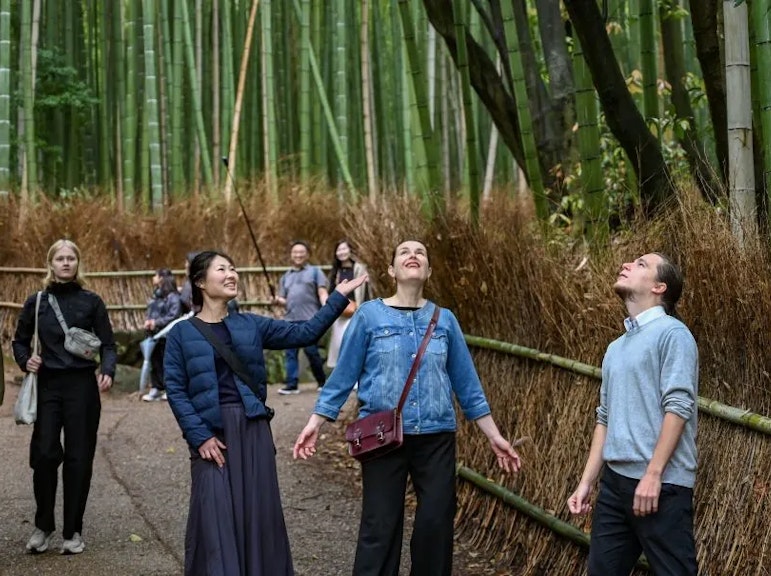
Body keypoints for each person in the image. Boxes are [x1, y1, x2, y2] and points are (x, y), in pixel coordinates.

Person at [293, 240, 522, 576]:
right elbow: (343, 376)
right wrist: (316, 422)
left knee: (435, 526)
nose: (412, 255)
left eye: (420, 253)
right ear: (391, 271)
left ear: (427, 271)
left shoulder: (444, 320)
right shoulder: (369, 315)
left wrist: (494, 436)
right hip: (381, 435)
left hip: (436, 436)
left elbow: (468, 385)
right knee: (380, 526)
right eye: (403, 252)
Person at [163, 250, 367, 576]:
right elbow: (175, 389)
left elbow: (305, 333)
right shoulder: (181, 334)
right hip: (212, 435)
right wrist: (199, 436)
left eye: (233, 268)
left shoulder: (250, 325)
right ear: (200, 281)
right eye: (222, 269)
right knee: (215, 517)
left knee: (259, 515)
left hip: (252, 429)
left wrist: (338, 299)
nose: (232, 274)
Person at [567, 253, 699, 575]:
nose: (626, 265)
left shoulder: (674, 335)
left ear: (659, 287)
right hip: (615, 486)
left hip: (661, 487)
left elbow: (679, 407)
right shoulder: (616, 348)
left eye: (640, 264)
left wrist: (653, 475)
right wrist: (587, 483)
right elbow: (605, 418)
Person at [12, 239, 117, 555]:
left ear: (78, 263)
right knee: (44, 455)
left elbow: (109, 344)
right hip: (48, 386)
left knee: (78, 458)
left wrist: (108, 370)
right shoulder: (37, 302)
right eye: (60, 258)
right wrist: (24, 360)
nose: (66, 263)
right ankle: (43, 526)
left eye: (71, 258)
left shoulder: (91, 302)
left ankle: (73, 530)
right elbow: (19, 341)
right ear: (51, 263)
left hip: (82, 387)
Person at [274, 241, 328, 394]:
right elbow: (284, 300)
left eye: (301, 252)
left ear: (307, 254)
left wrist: (327, 305)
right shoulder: (286, 276)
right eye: (295, 252)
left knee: (312, 352)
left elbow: (322, 292)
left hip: (310, 319)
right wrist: (278, 300)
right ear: (291, 255)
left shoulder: (315, 272)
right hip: (290, 320)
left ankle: (322, 382)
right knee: (291, 353)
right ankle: (292, 385)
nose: (298, 255)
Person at [326, 239, 369, 370]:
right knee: (339, 345)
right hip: (340, 312)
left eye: (344, 249)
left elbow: (365, 292)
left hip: (356, 311)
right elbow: (330, 291)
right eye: (339, 250)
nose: (342, 252)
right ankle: (342, 375)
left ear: (350, 250)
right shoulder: (335, 271)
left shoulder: (359, 268)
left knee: (354, 344)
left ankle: (356, 378)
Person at [141, 268, 182, 402]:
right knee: (155, 361)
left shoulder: (173, 297)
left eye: (155, 275)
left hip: (166, 334)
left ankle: (170, 389)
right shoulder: (156, 295)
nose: (153, 278)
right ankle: (156, 387)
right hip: (153, 334)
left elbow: (173, 315)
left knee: (167, 362)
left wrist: (156, 322)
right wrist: (149, 322)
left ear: (162, 278)